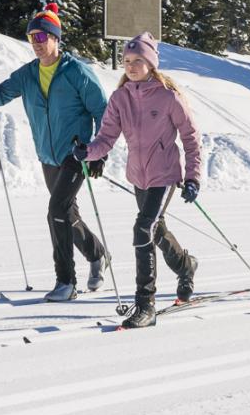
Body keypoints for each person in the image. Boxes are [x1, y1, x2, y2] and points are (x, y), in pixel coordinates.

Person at [0, 2, 111, 302]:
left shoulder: (77, 72)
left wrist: (98, 152)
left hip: (76, 154)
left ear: (56, 39)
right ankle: (98, 255)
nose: (37, 44)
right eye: (33, 38)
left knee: (56, 211)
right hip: (48, 156)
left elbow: (104, 112)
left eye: (43, 38)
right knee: (67, 213)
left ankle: (66, 282)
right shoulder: (28, 74)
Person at [73, 32, 202, 328]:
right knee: (155, 229)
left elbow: (191, 138)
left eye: (138, 61)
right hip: (138, 176)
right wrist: (87, 152)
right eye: (127, 61)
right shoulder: (120, 98)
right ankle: (186, 265)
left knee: (143, 227)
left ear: (151, 63)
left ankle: (146, 304)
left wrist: (193, 177)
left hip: (165, 174)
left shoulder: (169, 97)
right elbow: (106, 137)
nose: (131, 66)